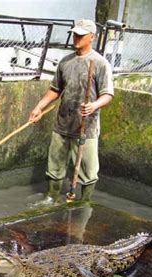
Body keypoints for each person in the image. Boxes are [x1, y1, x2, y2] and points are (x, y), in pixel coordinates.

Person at [29, 19, 114, 206]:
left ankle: (84, 202)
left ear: (92, 37)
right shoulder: (66, 61)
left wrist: (94, 105)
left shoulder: (100, 63)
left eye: (81, 35)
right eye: (75, 34)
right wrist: (39, 107)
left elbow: (107, 94)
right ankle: (51, 197)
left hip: (86, 126)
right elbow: (55, 89)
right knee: (55, 164)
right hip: (63, 123)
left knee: (87, 168)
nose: (76, 38)